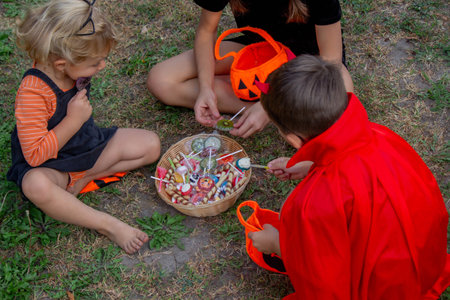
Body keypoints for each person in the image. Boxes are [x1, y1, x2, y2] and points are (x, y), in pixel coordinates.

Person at [247, 55, 449, 299]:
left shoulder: (313, 203)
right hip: (424, 265)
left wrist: (278, 244)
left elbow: (324, 281)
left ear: (293, 138)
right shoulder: (381, 135)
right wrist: (312, 166)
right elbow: (359, 176)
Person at [7, 0, 161, 254]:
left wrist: (80, 129)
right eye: (95, 63)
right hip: (50, 164)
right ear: (61, 65)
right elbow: (34, 156)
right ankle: (106, 224)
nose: (101, 67)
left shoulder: (72, 69)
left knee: (150, 145)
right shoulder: (33, 93)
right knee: (36, 185)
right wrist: (73, 120)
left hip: (87, 145)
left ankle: (77, 182)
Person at [147, 0, 354, 138]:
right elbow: (206, 31)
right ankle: (291, 109)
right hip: (257, 51)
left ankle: (279, 106)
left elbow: (331, 61)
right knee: (161, 79)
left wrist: (268, 106)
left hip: (309, 65)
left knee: (342, 95)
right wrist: (205, 87)